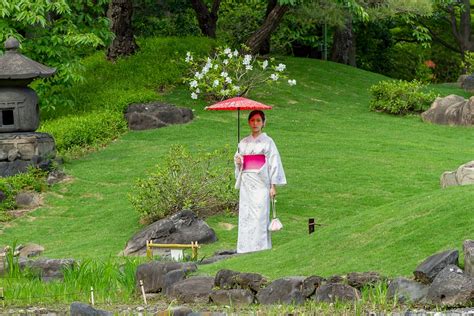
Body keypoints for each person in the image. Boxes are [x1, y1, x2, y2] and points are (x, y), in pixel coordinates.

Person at [234, 110, 286, 253]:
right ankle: (245, 247)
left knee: (259, 215)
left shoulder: (268, 142)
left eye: (258, 120)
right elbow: (239, 163)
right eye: (252, 120)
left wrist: (273, 185)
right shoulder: (243, 142)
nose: (255, 123)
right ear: (248, 122)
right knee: (246, 215)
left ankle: (261, 247)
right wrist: (238, 162)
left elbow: (273, 163)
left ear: (263, 123)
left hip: (261, 182)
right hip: (247, 182)